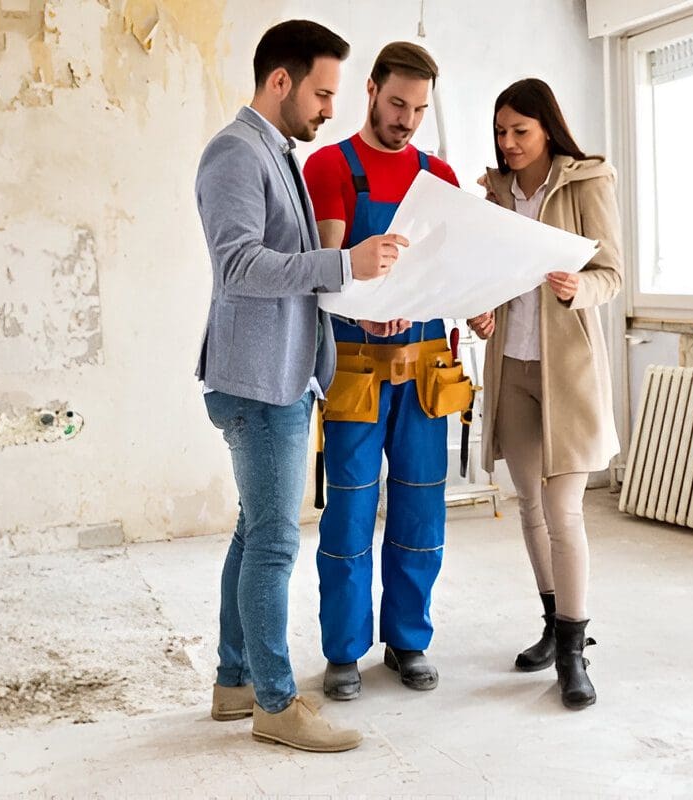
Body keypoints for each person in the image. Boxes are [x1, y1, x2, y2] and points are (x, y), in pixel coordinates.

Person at [195, 19, 408, 752]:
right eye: (321, 92)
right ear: (279, 81)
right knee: (276, 545)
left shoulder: (273, 149)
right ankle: (277, 705)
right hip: (258, 382)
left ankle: (234, 682)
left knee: (253, 534)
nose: (329, 109)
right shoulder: (234, 151)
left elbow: (292, 269)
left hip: (276, 373)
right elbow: (240, 267)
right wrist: (345, 263)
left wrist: (356, 296)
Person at [303, 41, 467, 701]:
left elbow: (454, 271)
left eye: (420, 108)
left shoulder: (442, 178)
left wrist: (474, 311)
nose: (406, 119)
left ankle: (409, 640)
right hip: (355, 367)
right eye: (397, 103)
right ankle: (345, 650)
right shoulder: (329, 167)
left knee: (422, 509)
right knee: (349, 511)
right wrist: (366, 318)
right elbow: (326, 272)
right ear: (370, 90)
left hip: (427, 366)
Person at [468, 78, 622, 710]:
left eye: (520, 132)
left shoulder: (586, 183)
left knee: (565, 513)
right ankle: (552, 625)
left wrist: (575, 290)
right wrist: (481, 313)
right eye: (501, 133)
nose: (508, 144)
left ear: (547, 128)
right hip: (513, 369)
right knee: (529, 508)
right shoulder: (495, 194)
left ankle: (572, 653)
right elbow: (486, 277)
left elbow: (610, 274)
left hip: (569, 376)